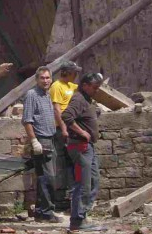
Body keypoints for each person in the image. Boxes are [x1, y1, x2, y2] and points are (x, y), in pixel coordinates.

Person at [21, 66, 67, 223]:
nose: (46, 81)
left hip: (50, 138)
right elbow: (27, 121)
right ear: (36, 79)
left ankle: (41, 212)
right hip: (41, 140)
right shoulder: (32, 95)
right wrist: (34, 141)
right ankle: (47, 212)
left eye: (48, 78)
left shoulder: (47, 94)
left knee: (43, 178)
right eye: (42, 78)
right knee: (48, 178)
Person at [61, 73, 105, 231]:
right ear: (85, 85)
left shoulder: (86, 99)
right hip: (80, 147)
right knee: (83, 183)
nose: (96, 90)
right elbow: (66, 115)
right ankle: (77, 221)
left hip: (88, 148)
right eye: (94, 87)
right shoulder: (79, 98)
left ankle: (83, 216)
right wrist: (82, 132)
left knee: (93, 180)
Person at [48, 61, 81, 197]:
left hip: (71, 125)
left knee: (75, 160)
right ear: (66, 73)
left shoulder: (71, 86)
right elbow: (57, 110)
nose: (76, 75)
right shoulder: (56, 86)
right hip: (62, 128)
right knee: (67, 161)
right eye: (74, 72)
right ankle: (67, 193)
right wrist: (64, 129)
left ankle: (75, 192)